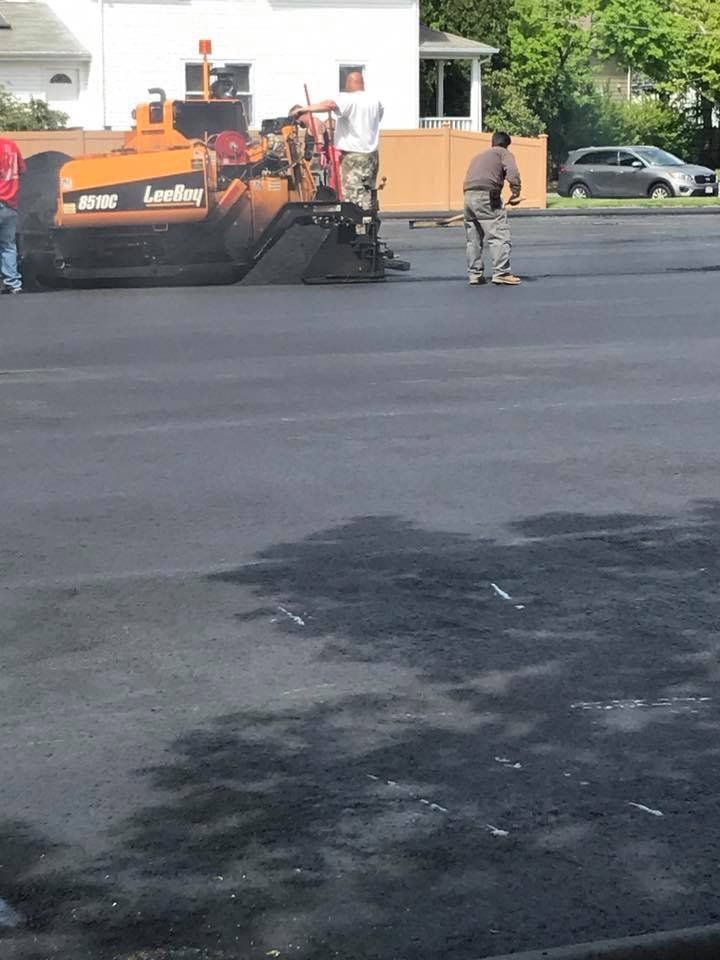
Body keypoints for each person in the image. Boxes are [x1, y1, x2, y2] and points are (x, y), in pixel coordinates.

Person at [290, 71, 383, 210]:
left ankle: (357, 229)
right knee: (367, 193)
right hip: (372, 156)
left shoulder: (350, 99)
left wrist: (304, 108)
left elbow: (330, 104)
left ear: (349, 83)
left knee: (353, 199)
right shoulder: (375, 102)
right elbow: (377, 118)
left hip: (354, 156)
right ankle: (368, 223)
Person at [463, 131, 522, 286]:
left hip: (468, 196)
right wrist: (516, 192)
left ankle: (475, 274)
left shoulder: (478, 156)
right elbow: (513, 172)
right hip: (487, 195)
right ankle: (501, 272)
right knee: (499, 233)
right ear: (506, 144)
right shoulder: (503, 153)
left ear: (493, 142)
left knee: (473, 238)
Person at [0, 134, 25, 294]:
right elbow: (21, 170)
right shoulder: (12, 145)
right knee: (8, 245)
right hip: (11, 202)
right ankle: (13, 283)